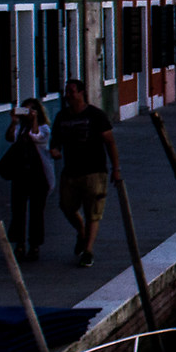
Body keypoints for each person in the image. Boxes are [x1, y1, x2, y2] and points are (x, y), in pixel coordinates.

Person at [50, 80, 120, 269]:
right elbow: (55, 141)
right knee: (66, 207)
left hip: (95, 172)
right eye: (66, 92)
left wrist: (116, 169)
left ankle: (88, 251)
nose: (68, 95)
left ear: (81, 93)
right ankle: (81, 231)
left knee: (93, 213)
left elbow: (110, 142)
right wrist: (55, 151)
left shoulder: (96, 116)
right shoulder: (61, 117)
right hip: (70, 171)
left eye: (72, 92)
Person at [0, 100, 54, 260]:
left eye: (31, 110)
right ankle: (20, 243)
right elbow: (9, 137)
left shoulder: (44, 128)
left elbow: (37, 137)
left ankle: (35, 245)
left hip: (39, 174)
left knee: (37, 212)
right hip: (21, 173)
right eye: (26, 109)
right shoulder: (19, 128)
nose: (28, 113)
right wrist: (13, 121)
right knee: (18, 211)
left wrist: (34, 120)